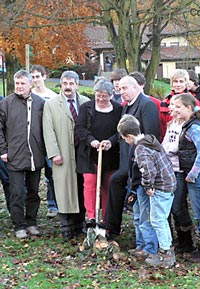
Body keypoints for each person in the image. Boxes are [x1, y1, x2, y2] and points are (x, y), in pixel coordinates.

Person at [103, 75, 159, 240]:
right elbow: (122, 132)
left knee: (118, 183)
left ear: (136, 87)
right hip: (125, 160)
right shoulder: (126, 106)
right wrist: (111, 142)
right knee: (115, 182)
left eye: (125, 88)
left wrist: (140, 159)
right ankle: (111, 228)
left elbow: (151, 136)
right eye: (119, 89)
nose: (122, 92)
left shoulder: (146, 105)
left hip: (139, 162)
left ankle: (118, 230)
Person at [118, 114, 176, 267]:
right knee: (157, 219)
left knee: (157, 220)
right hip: (168, 184)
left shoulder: (141, 149)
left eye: (125, 138)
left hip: (160, 187)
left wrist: (148, 186)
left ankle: (166, 254)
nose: (125, 141)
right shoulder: (149, 140)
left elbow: (147, 170)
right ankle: (163, 251)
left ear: (130, 136)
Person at [43, 70, 90, 241]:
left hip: (83, 153)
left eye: (71, 83)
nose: (68, 87)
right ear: (61, 85)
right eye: (65, 83)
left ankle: (80, 223)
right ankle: (66, 226)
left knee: (81, 187)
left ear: (77, 85)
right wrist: (54, 153)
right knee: (64, 189)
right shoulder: (52, 104)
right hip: (62, 153)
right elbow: (48, 131)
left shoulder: (86, 103)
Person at [0, 70, 45, 239]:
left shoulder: (40, 103)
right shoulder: (6, 103)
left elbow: (45, 129)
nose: (19, 87)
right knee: (17, 192)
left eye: (22, 84)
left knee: (33, 191)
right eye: (17, 83)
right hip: (14, 156)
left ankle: (31, 222)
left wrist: (44, 151)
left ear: (30, 84)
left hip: (35, 155)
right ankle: (19, 225)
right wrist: (3, 150)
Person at [173, 93, 200, 264]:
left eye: (178, 107)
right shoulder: (188, 125)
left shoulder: (195, 127)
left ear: (189, 108)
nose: (174, 110)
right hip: (195, 174)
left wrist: (193, 173)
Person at [75, 79, 122, 228]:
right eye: (98, 95)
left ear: (111, 95)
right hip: (90, 154)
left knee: (108, 186)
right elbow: (80, 128)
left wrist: (111, 141)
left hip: (110, 155)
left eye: (104, 96)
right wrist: (91, 141)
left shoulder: (118, 109)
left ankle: (105, 221)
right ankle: (91, 218)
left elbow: (120, 131)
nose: (101, 99)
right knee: (90, 183)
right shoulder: (86, 108)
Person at [162, 97, 196, 254]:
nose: (173, 109)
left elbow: (177, 146)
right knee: (169, 207)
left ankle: (187, 239)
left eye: (176, 106)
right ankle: (175, 239)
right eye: (172, 106)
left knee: (178, 206)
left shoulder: (189, 126)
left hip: (181, 170)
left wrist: (171, 149)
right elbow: (166, 144)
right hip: (169, 169)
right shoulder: (172, 124)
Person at [30, 64, 58, 218]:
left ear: (44, 76)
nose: (36, 80)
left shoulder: (52, 96)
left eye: (38, 76)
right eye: (33, 77)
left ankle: (53, 204)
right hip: (33, 142)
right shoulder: (29, 95)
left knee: (52, 175)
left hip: (48, 141)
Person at [159, 69, 200, 142]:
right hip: (171, 141)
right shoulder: (165, 103)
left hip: (190, 143)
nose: (178, 85)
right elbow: (162, 126)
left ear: (186, 83)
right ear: (171, 83)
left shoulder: (193, 101)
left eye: (181, 81)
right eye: (175, 81)